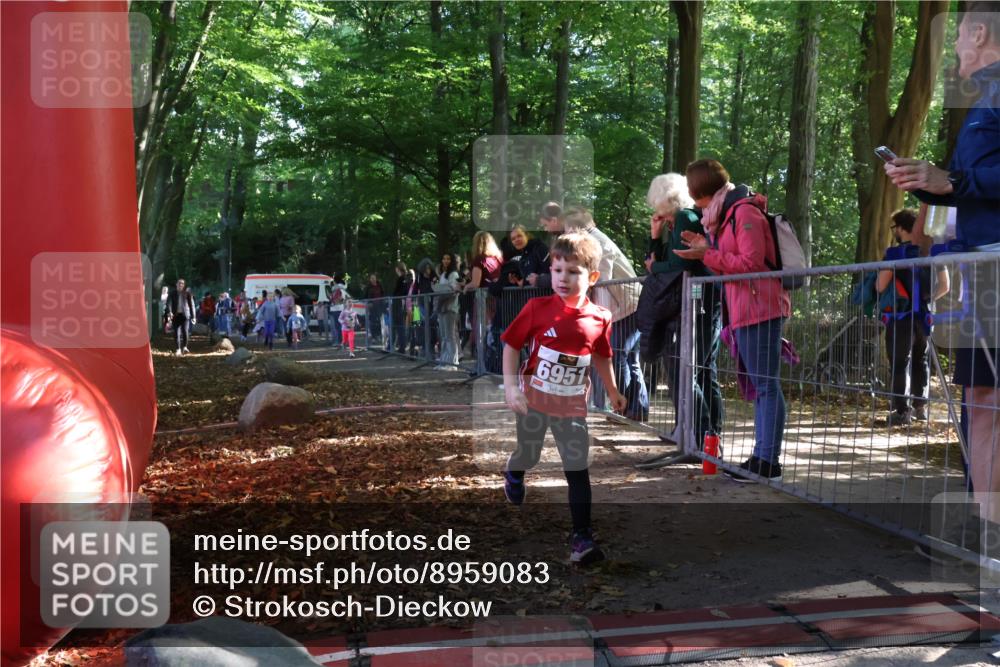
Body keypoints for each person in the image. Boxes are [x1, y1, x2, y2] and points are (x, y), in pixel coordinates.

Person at [884, 2, 1000, 521]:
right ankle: (989, 536)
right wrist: (933, 185)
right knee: (980, 400)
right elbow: (967, 188)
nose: (953, 49)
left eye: (955, 38)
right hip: (981, 271)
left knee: (986, 404)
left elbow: (970, 183)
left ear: (978, 32)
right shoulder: (985, 100)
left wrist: (952, 182)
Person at [501, 232, 627, 565]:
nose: (562, 279)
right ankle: (514, 471)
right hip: (533, 402)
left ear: (592, 277)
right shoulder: (537, 308)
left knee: (577, 469)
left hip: (572, 407)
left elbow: (602, 355)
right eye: (557, 271)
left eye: (572, 272)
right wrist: (512, 387)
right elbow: (512, 344)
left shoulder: (600, 317)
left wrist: (612, 391)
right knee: (529, 454)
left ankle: (582, 539)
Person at [674, 158, 791, 482]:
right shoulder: (725, 218)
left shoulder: (744, 212)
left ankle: (768, 462)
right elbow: (728, 267)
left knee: (766, 385)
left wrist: (706, 254)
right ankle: (761, 457)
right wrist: (705, 247)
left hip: (761, 307)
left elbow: (751, 264)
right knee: (761, 385)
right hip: (746, 309)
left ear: (699, 190)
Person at [646, 173, 724, 443]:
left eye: (662, 214)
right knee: (700, 368)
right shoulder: (680, 220)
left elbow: (679, 264)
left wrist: (654, 267)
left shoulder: (685, 218)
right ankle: (699, 431)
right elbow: (660, 259)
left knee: (692, 368)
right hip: (698, 302)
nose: (661, 219)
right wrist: (655, 237)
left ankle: (699, 433)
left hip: (701, 303)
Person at [563, 207, 648, 422]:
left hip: (626, 307)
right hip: (625, 306)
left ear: (575, 228)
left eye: (567, 231)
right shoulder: (594, 240)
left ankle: (624, 407)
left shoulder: (596, 243)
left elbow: (602, 279)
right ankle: (635, 409)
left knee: (618, 356)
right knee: (628, 359)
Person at [877, 208, 951, 426]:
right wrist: (927, 301)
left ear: (901, 228)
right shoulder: (933, 252)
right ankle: (921, 408)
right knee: (921, 360)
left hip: (900, 316)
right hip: (926, 316)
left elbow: (881, 286)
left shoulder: (895, 253)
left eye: (895, 228)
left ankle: (901, 411)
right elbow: (945, 286)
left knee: (900, 362)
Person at [433, 252, 462, 370]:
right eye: (444, 258)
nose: (445, 261)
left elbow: (452, 290)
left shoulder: (453, 274)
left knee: (450, 336)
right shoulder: (443, 274)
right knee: (444, 336)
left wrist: (439, 289)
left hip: (450, 307)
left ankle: (452, 363)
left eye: (448, 259)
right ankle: (444, 361)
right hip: (442, 307)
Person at [525, 202, 562, 288]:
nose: (546, 229)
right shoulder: (559, 237)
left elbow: (566, 273)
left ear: (554, 220)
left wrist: (539, 280)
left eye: (545, 225)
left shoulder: (568, 238)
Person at [165, 278, 196, 356]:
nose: (180, 285)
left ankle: (185, 347)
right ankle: (178, 349)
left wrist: (193, 316)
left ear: (184, 285)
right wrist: (169, 312)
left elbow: (192, 305)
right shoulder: (172, 293)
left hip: (185, 316)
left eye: (182, 283)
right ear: (176, 284)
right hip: (175, 316)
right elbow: (168, 303)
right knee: (176, 333)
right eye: (179, 283)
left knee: (185, 332)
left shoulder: (187, 293)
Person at [391, 263, 411, 354]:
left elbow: (398, 292)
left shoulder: (401, 279)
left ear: (398, 269)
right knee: (400, 325)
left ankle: (402, 346)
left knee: (400, 326)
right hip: (403, 304)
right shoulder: (406, 279)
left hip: (399, 304)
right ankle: (400, 345)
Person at [329, 274, 348, 349]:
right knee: (337, 327)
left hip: (338, 309)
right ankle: (341, 342)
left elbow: (342, 299)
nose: (332, 282)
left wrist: (336, 301)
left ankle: (342, 341)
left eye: (333, 280)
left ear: (335, 281)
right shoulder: (335, 289)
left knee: (339, 326)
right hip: (335, 309)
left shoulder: (340, 289)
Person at [365, 273, 385, 343]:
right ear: (370, 279)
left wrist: (383, 302)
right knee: (373, 321)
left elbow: (383, 294)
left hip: (380, 305)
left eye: (374, 278)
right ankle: (373, 336)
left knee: (379, 321)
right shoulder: (368, 287)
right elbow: (365, 296)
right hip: (372, 306)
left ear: (376, 278)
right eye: (371, 278)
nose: (373, 279)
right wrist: (368, 302)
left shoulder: (380, 285)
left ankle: (379, 335)